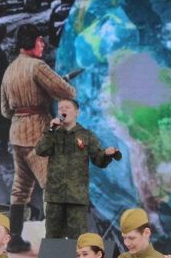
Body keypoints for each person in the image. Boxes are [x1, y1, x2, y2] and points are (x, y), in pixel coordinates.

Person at [0, 23, 76, 252]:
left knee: (20, 189)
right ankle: (56, 248)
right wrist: (56, 86)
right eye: (40, 40)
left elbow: (5, 110)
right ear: (32, 42)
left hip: (17, 133)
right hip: (38, 134)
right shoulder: (38, 66)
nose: (43, 44)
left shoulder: (10, 70)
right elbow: (67, 92)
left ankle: (13, 240)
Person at [34, 98, 120, 239]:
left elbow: (98, 160)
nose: (63, 110)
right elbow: (40, 150)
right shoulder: (54, 134)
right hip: (55, 196)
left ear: (77, 112)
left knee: (78, 239)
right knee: (53, 238)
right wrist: (50, 131)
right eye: (60, 108)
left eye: (67, 107)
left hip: (77, 197)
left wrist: (106, 154)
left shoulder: (86, 135)